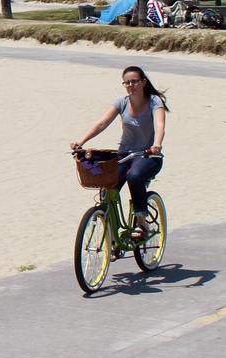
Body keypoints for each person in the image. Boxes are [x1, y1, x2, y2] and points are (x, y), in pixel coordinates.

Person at [70, 67, 168, 238]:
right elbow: (101, 123)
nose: (131, 85)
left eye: (135, 81)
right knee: (106, 186)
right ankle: (113, 239)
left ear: (143, 82)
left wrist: (157, 144)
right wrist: (82, 141)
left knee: (134, 176)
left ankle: (142, 223)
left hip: (148, 155)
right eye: (127, 82)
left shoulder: (154, 102)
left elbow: (160, 125)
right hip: (124, 155)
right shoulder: (121, 102)